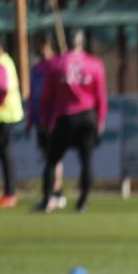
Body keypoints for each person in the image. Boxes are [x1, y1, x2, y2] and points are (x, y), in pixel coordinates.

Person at [38, 30, 106, 213]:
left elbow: (47, 96)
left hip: (66, 117)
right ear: (81, 43)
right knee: (87, 160)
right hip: (88, 117)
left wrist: (44, 119)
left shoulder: (57, 64)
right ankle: (83, 202)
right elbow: (101, 97)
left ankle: (47, 199)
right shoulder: (94, 64)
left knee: (52, 160)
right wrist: (100, 120)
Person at [24, 32, 64, 210]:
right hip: (40, 118)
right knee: (46, 157)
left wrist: (54, 117)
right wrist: (30, 119)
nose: (40, 47)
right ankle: (51, 193)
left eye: (43, 43)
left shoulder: (57, 65)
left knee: (54, 157)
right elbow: (33, 95)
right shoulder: (37, 68)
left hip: (53, 118)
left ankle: (56, 194)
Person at [0, 34, 24, 209]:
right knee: (6, 156)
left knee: (5, 156)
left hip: (2, 116)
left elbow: (2, 89)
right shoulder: (7, 61)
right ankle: (9, 193)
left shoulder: (0, 64)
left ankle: (9, 194)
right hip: (7, 115)